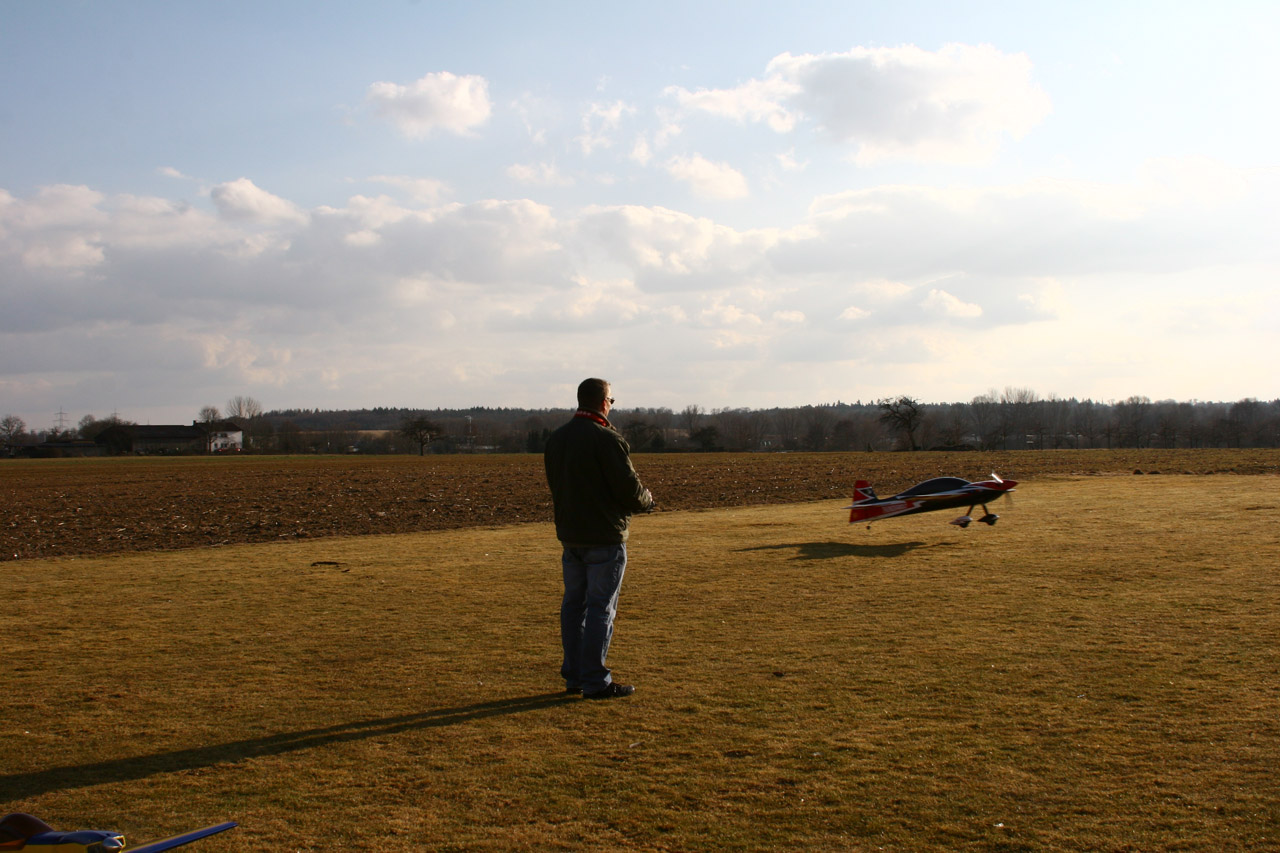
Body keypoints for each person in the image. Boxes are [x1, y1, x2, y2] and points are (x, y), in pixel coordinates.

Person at [544, 378, 656, 700]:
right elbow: (629, 489)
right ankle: (595, 680)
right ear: (604, 402)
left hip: (570, 536)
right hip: (605, 536)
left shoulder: (557, 439)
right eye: (611, 400)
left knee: (573, 606)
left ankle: (575, 675)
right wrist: (647, 501)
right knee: (600, 608)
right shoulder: (607, 439)